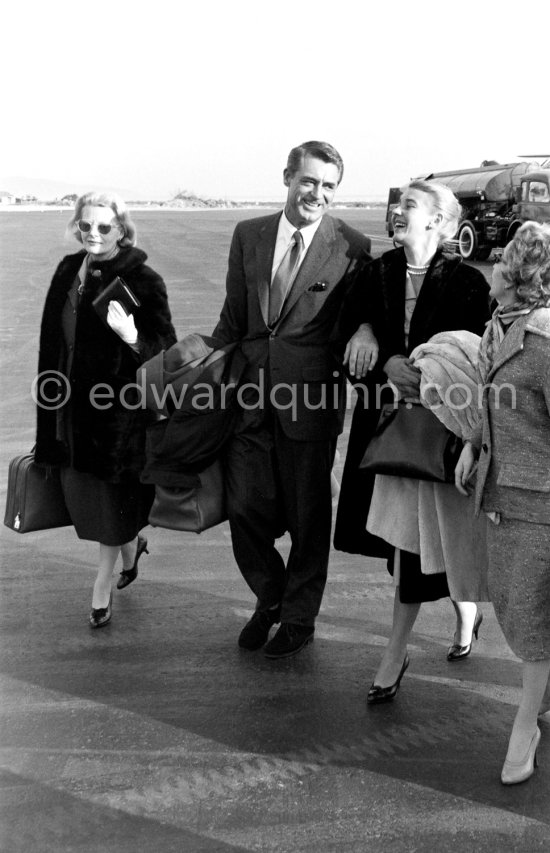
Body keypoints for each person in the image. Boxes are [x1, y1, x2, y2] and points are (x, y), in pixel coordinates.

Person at [213, 140, 373, 658]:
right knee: (243, 508)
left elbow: (366, 311)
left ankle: (299, 619)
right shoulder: (249, 235)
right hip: (248, 396)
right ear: (287, 177)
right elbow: (232, 321)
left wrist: (368, 328)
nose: (318, 194)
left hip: (312, 402)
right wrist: (186, 372)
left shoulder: (352, 246)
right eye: (309, 181)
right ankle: (271, 597)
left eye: (329, 186)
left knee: (308, 520)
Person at [334, 180, 492, 699]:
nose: (399, 212)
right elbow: (343, 338)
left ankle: (462, 616)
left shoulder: (469, 283)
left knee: (441, 543)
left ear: (440, 223)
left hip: (441, 437)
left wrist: (424, 372)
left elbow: (477, 361)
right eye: (399, 204)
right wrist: (367, 339)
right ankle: (397, 651)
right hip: (388, 433)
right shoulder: (375, 272)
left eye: (411, 206)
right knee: (407, 547)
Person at [34, 192, 176, 628]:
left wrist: (132, 335)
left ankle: (101, 585)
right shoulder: (66, 270)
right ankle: (131, 549)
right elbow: (50, 342)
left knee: (108, 496)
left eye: (104, 227)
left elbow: (165, 350)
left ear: (122, 230)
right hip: (67, 407)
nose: (93, 234)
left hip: (116, 416)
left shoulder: (142, 279)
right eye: (86, 226)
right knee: (86, 498)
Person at [455, 221, 550, 785]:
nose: (489, 266)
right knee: (520, 608)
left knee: (532, 616)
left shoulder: (542, 344)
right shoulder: (500, 326)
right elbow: (498, 405)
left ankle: (524, 724)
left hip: (538, 504)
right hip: (504, 495)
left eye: (501, 259)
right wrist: (473, 444)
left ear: (519, 275)